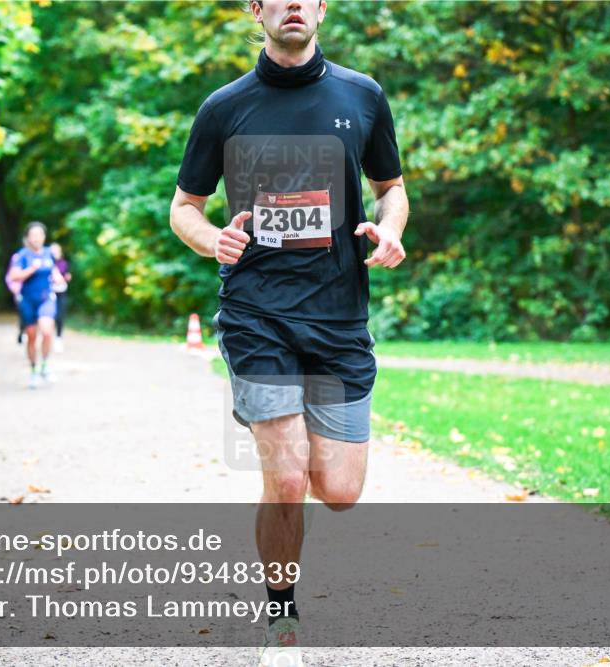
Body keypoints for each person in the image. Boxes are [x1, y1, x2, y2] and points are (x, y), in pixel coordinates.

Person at [169, 1, 408, 664]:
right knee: (285, 474)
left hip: (338, 318)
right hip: (256, 314)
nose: (295, 4)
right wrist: (208, 238)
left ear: (323, 7)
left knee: (338, 490)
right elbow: (183, 207)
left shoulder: (362, 96)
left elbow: (392, 187)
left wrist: (391, 229)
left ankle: (299, 481)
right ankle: (282, 619)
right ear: (258, 8)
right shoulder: (225, 107)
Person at [7, 222, 62, 388]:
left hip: (46, 297)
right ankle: (33, 371)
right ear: (28, 238)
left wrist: (57, 276)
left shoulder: (48, 253)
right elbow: (14, 276)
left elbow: (53, 270)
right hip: (28, 299)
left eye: (39, 235)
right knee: (31, 336)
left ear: (44, 237)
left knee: (46, 331)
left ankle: (45, 365)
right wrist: (31, 269)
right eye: (33, 235)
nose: (36, 238)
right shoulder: (22, 255)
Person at [50, 242, 72, 352]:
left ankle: (58, 338)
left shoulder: (64, 263)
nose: (54, 253)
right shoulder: (46, 263)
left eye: (56, 251)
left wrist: (66, 278)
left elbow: (67, 275)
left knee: (60, 316)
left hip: (61, 292)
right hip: (49, 293)